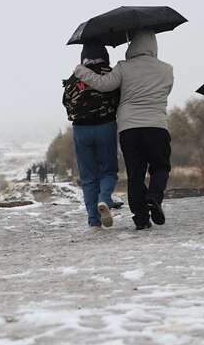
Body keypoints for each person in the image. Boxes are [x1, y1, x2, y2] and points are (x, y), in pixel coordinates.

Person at [73, 31, 173, 231]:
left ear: (132, 46)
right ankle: (154, 197)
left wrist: (80, 71)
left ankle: (141, 218)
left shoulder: (123, 67)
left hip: (130, 129)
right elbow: (165, 91)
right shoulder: (166, 69)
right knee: (160, 167)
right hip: (157, 126)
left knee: (135, 174)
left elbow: (104, 84)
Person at [62, 43, 120, 229]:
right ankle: (104, 199)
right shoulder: (109, 74)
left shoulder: (74, 78)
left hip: (81, 130)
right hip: (106, 126)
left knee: (88, 177)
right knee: (108, 171)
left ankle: (93, 220)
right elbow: (120, 97)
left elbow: (67, 103)